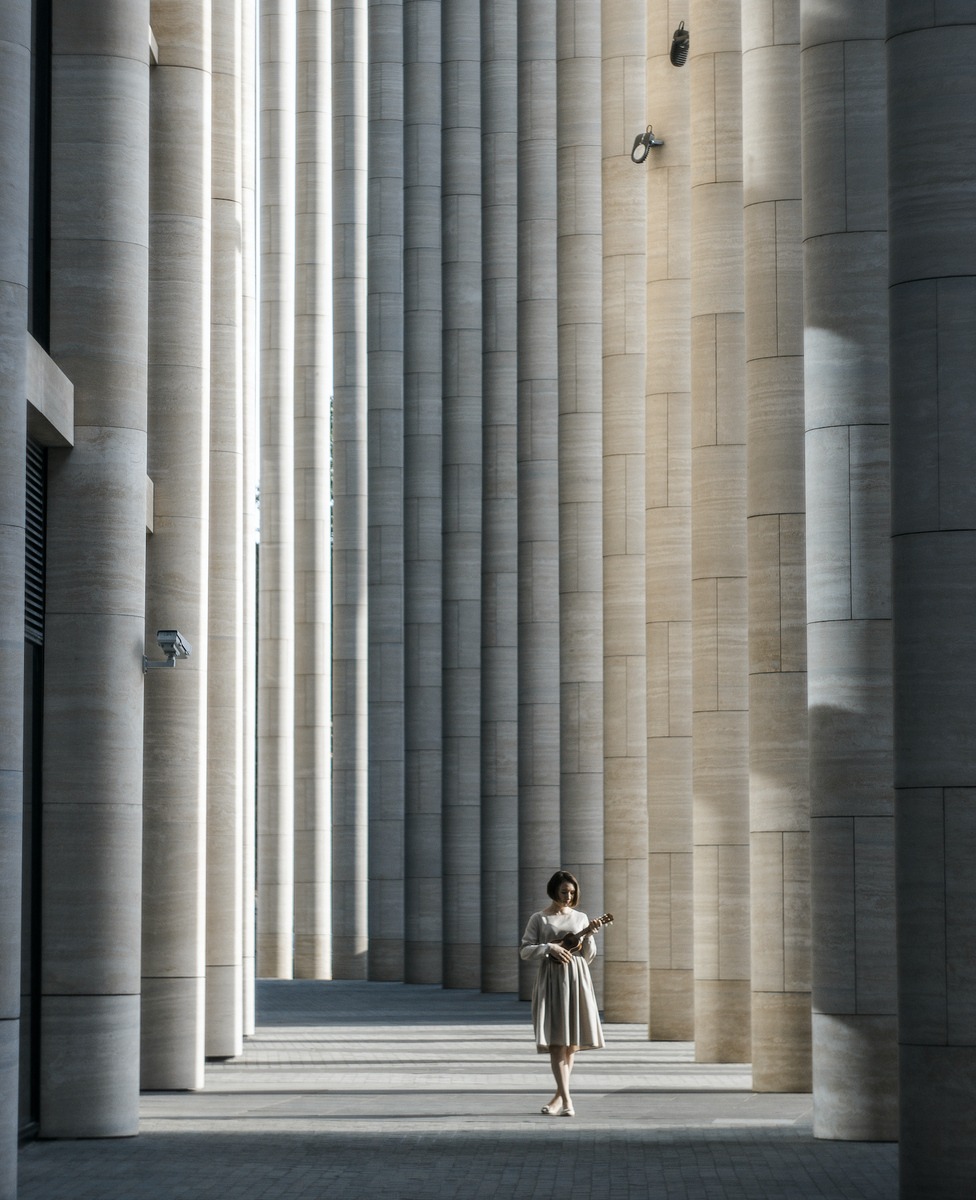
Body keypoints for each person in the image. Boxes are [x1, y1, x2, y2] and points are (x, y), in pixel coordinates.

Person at [519, 870, 605, 1116]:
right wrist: (549, 948)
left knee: (570, 1044)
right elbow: (525, 950)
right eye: (564, 892)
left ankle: (558, 1098)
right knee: (557, 1041)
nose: (568, 897)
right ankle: (567, 1100)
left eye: (572, 892)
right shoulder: (539, 918)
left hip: (577, 977)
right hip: (551, 980)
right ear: (553, 891)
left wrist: (588, 936)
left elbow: (588, 957)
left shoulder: (581, 918)